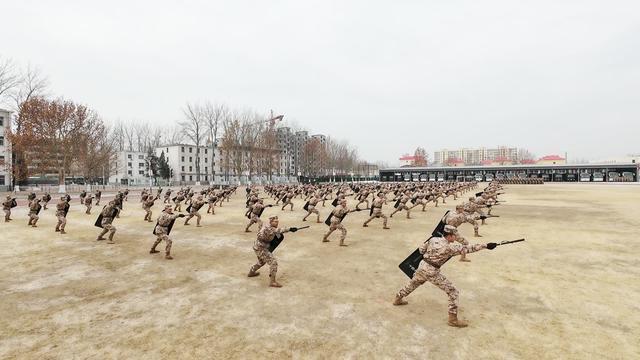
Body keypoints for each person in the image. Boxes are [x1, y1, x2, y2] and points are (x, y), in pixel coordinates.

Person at [393, 225, 494, 327]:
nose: (456, 238)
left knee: (414, 283)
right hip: (432, 271)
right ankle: (453, 320)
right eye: (455, 236)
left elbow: (421, 250)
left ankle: (398, 298)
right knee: (453, 292)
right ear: (449, 236)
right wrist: (486, 245)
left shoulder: (433, 239)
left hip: (422, 265)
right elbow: (469, 248)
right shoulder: (449, 248)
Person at [247, 215, 296, 287]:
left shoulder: (267, 226)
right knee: (273, 262)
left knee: (261, 262)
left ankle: (251, 272)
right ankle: (272, 282)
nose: (277, 223)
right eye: (275, 222)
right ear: (271, 222)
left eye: (277, 222)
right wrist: (290, 229)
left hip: (257, 246)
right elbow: (279, 230)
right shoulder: (269, 229)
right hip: (261, 248)